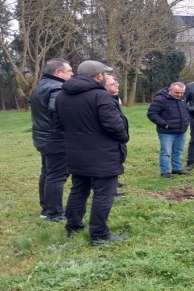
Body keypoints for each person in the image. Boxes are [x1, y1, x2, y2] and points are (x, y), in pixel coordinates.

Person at [55, 61, 129, 246]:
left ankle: (73, 227)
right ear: (98, 76)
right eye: (105, 74)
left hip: (75, 153)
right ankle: (99, 235)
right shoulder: (100, 96)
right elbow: (114, 126)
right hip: (102, 155)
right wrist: (123, 137)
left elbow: (58, 124)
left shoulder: (61, 96)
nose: (106, 76)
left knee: (78, 191)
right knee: (104, 194)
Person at [29, 58, 73, 222]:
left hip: (41, 136)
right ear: (58, 72)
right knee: (56, 176)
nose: (72, 73)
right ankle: (54, 213)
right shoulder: (58, 87)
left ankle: (47, 209)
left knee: (47, 173)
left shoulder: (39, 87)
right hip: (55, 139)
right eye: (69, 71)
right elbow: (58, 111)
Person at [147, 82, 191, 178]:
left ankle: (177, 168)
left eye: (182, 93)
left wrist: (187, 120)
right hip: (166, 132)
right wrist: (164, 124)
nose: (179, 95)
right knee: (166, 152)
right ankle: (165, 171)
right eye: (177, 92)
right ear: (170, 90)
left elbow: (185, 111)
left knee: (178, 151)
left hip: (181, 131)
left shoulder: (183, 99)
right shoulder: (160, 99)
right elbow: (152, 114)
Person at [104, 75, 128, 196]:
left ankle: (113, 188)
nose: (117, 85)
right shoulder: (104, 100)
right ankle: (109, 193)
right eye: (114, 83)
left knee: (118, 159)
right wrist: (122, 135)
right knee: (110, 163)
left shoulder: (113, 97)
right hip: (111, 138)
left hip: (118, 137)